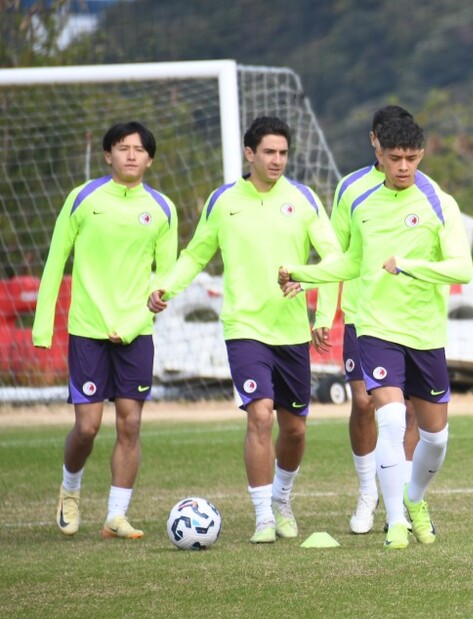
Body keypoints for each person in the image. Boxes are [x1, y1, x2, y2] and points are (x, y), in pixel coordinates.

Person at [280, 117, 473, 549]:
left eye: (411, 158)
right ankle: (397, 522)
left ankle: (414, 500)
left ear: (421, 155)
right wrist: (305, 276)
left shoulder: (440, 202)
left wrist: (409, 266)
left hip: (424, 332)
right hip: (375, 326)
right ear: (378, 153)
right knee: (387, 419)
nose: (403, 167)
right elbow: (350, 261)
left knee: (436, 439)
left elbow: (461, 268)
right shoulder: (357, 194)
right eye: (394, 158)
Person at [147, 116, 341, 543]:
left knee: (295, 429)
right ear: (249, 154)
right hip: (244, 327)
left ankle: (282, 499)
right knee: (259, 414)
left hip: (290, 331)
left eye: (283, 153)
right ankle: (262, 518)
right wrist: (164, 287)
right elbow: (195, 255)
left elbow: (333, 261)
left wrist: (321, 313)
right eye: (269, 152)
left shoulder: (304, 199)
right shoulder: (223, 201)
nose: (277, 160)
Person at [33, 121, 178, 540]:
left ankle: (116, 515)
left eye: (139, 149)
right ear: (108, 155)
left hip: (136, 333)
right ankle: (71, 490)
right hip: (88, 330)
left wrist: (146, 310)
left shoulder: (162, 208)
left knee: (130, 423)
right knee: (88, 427)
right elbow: (55, 259)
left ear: (150, 159)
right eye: (122, 148)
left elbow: (167, 275)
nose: (131, 155)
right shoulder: (82, 198)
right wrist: (43, 327)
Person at [321, 106, 421, 535]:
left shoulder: (425, 190)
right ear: (374, 142)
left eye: (406, 153)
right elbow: (336, 254)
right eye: (387, 146)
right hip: (364, 317)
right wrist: (327, 312)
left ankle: (402, 499)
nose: (397, 160)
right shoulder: (351, 189)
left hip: (412, 318)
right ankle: (367, 493)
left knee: (408, 410)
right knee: (364, 403)